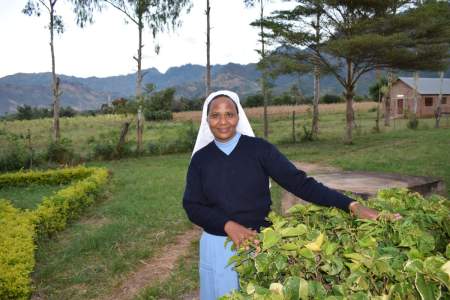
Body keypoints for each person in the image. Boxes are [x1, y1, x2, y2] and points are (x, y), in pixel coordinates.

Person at [182, 90, 399, 300]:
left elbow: (300, 183)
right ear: (206, 119)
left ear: (238, 116)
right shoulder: (201, 160)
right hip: (217, 247)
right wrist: (228, 225)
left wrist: (352, 205)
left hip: (260, 245)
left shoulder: (259, 150)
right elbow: (193, 205)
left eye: (229, 114)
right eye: (215, 115)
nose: (223, 122)